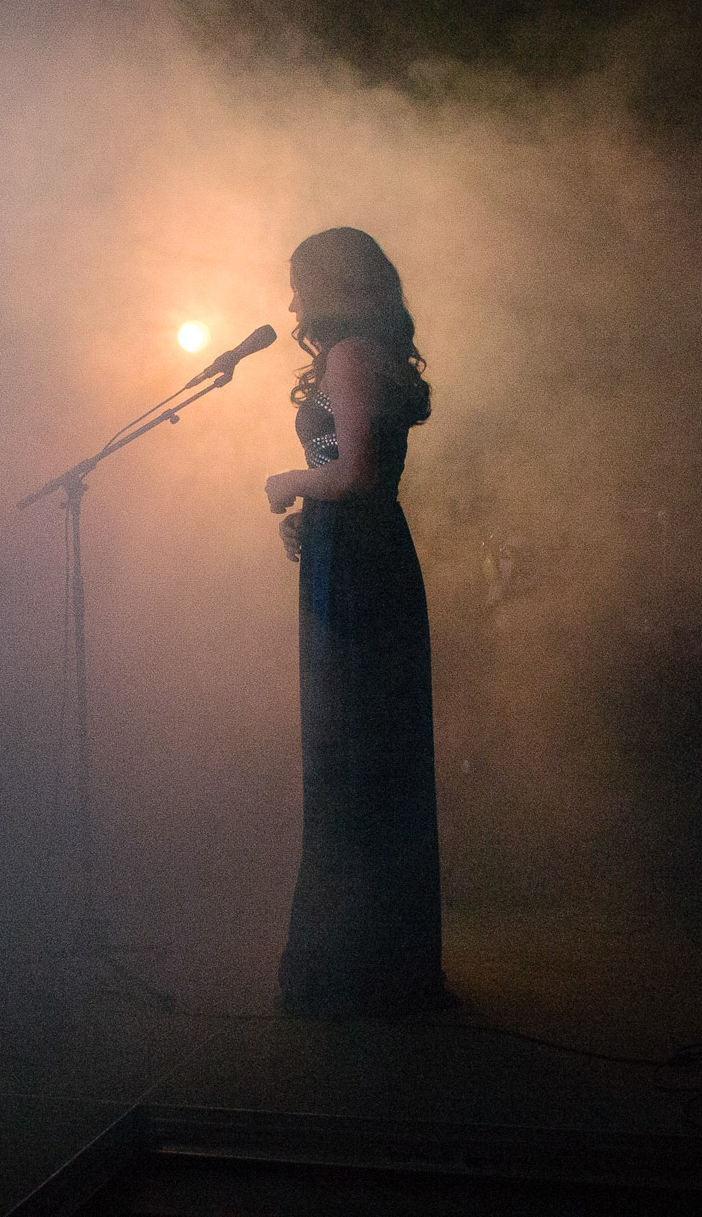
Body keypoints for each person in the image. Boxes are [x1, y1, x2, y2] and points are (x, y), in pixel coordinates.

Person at [263, 226, 450, 1018]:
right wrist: (311, 519)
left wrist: (289, 483)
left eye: (300, 283)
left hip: (362, 568)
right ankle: (375, 964)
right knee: (361, 754)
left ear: (329, 284)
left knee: (354, 756)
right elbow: (351, 479)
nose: (292, 302)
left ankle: (357, 973)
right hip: (355, 553)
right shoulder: (363, 352)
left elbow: (359, 471)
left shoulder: (351, 354)